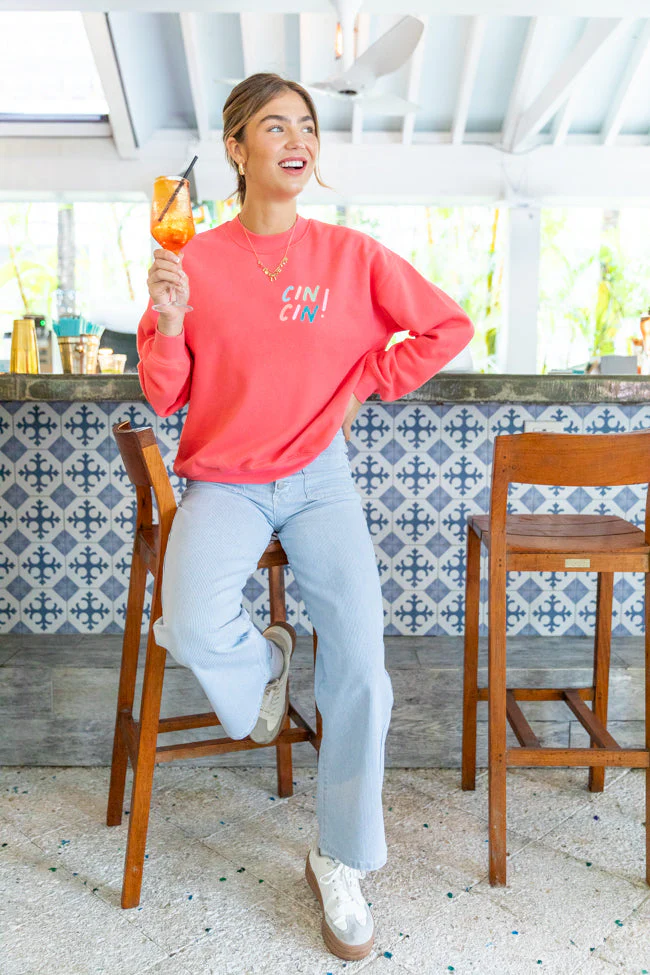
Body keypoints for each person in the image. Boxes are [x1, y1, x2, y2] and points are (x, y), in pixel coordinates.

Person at [137, 72, 474, 962]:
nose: (298, 140)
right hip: (226, 480)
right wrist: (167, 320)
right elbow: (165, 395)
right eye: (275, 126)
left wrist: (367, 381)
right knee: (190, 622)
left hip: (321, 480)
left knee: (362, 666)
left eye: (308, 127)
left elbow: (446, 327)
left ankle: (341, 858)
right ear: (236, 148)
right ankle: (265, 665)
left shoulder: (351, 256)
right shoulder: (196, 259)